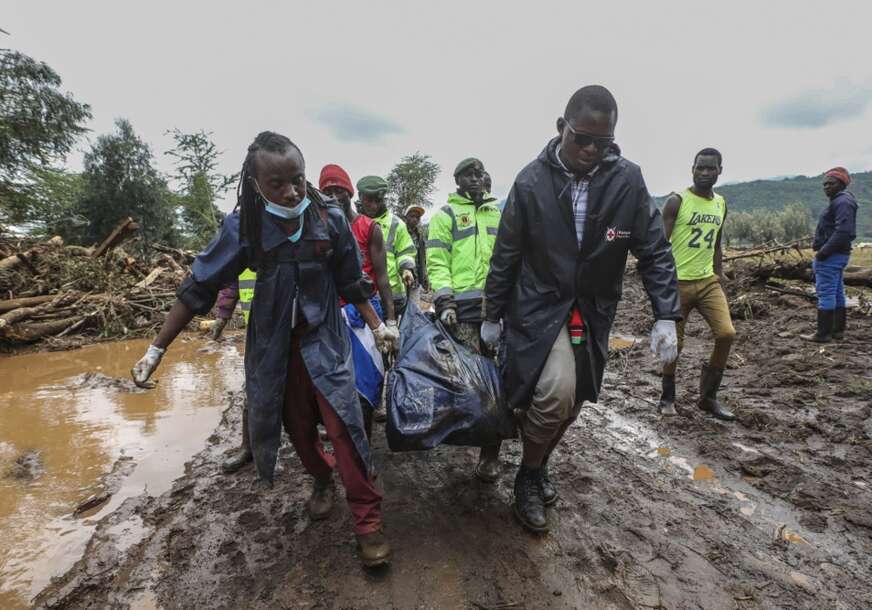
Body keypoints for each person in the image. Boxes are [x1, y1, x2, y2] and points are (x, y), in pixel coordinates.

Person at [131, 132, 398, 567]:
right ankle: (320, 478)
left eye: (298, 179)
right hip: (275, 347)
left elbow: (352, 281)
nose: (291, 192)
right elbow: (198, 286)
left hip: (326, 341)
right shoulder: (244, 228)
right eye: (278, 184)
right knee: (295, 430)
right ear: (255, 184)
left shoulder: (329, 220)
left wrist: (378, 325)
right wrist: (157, 349)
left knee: (346, 425)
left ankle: (368, 524)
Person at [483, 85, 680, 533]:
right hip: (540, 305)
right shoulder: (531, 181)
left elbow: (653, 249)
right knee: (555, 391)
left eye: (603, 142)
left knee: (578, 397)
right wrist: (493, 314)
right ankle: (528, 476)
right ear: (561, 128)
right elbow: (507, 252)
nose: (591, 149)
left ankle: (536, 463)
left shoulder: (627, 181)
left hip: (592, 308)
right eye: (582, 138)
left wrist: (665, 313)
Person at [427, 157, 503, 482]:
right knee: (469, 380)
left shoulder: (496, 214)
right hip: (461, 312)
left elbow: (507, 259)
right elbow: (437, 259)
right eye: (467, 175)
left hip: (495, 310)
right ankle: (464, 434)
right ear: (457, 181)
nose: (475, 179)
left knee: (498, 383)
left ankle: (491, 454)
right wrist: (445, 301)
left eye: (478, 173)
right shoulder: (445, 216)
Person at [658, 148, 737, 421]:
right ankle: (667, 396)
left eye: (710, 168)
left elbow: (716, 243)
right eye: (700, 168)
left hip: (707, 282)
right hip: (677, 283)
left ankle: (708, 398)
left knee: (726, 334)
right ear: (692, 168)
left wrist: (720, 276)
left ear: (719, 171)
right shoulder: (676, 202)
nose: (704, 173)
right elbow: (659, 246)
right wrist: (660, 286)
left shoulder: (721, 204)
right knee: (674, 345)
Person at [319, 163, 397, 434]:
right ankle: (346, 439)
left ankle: (363, 451)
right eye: (327, 191)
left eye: (339, 189)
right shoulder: (321, 230)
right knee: (337, 383)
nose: (334, 196)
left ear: (350, 193)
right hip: (332, 314)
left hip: (366, 316)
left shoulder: (368, 228)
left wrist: (390, 320)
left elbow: (383, 278)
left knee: (366, 384)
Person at [210, 268, 259, 473]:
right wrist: (222, 317)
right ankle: (248, 447)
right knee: (251, 391)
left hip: (295, 327)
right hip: (257, 331)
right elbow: (231, 284)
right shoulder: (244, 249)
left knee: (307, 385)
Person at [803, 167, 858, 342]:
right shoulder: (841, 201)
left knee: (826, 293)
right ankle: (837, 331)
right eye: (824, 183)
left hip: (831, 256)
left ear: (841, 184)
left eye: (831, 183)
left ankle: (823, 334)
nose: (826, 186)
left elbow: (844, 232)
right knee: (836, 292)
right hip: (838, 255)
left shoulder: (842, 202)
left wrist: (822, 254)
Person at [357, 175, 417, 315]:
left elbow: (405, 251)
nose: (373, 205)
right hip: (363, 297)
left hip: (393, 296)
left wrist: (406, 269)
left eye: (378, 200)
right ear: (360, 197)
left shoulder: (396, 224)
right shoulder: (353, 222)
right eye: (368, 200)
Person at [404, 203, 428, 290]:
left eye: (417, 217)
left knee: (414, 302)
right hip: (404, 277)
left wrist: (424, 276)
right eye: (412, 216)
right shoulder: (400, 232)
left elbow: (422, 258)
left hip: (416, 278)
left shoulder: (419, 235)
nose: (415, 219)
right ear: (406, 217)